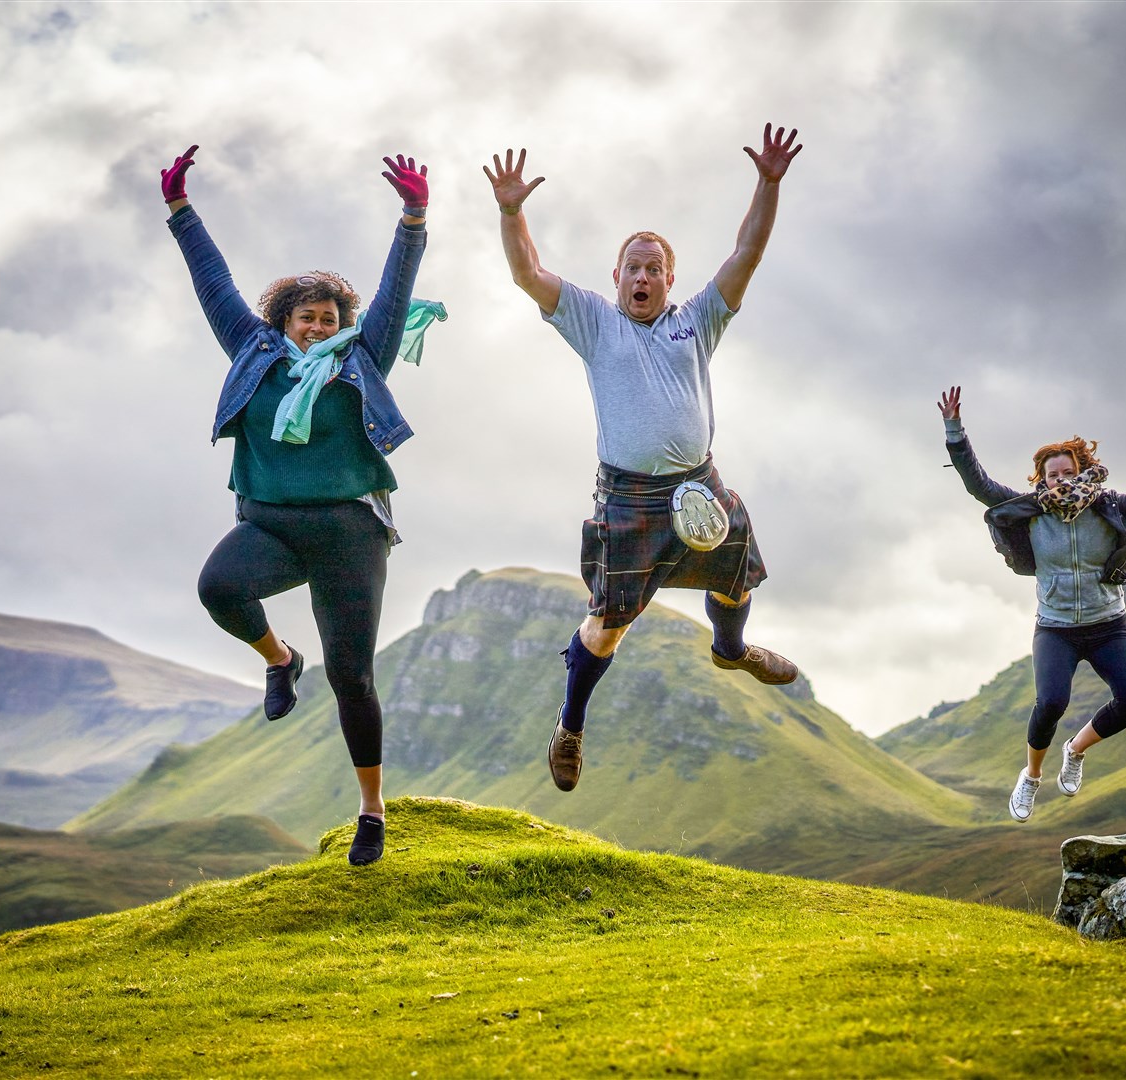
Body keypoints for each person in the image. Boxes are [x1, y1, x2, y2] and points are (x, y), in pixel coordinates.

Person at [484, 125, 804, 793]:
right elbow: (528, 273)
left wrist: (767, 185)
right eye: (633, 264)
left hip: (699, 486)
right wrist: (513, 212)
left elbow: (748, 249)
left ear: (669, 279)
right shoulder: (594, 319)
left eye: (654, 265)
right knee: (606, 627)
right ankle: (570, 725)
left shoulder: (698, 320)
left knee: (737, 581)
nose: (643, 274)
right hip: (628, 495)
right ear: (617, 276)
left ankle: (732, 650)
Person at [161, 144, 444, 865]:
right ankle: (278, 658)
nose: (317, 326)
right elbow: (212, 282)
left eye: (327, 316)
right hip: (271, 524)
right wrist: (181, 212)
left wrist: (413, 217)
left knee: (352, 676)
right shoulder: (251, 350)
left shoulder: (362, 356)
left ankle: (371, 810)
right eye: (305, 316)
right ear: (283, 320)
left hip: (351, 531)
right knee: (219, 588)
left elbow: (393, 287)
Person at [936, 385, 1126, 822]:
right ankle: (1031, 777)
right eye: (1053, 476)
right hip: (1056, 629)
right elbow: (978, 484)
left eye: (1068, 472)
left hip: (1109, 625)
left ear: (1082, 469)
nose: (1061, 481)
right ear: (1042, 480)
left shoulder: (1111, 506)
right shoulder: (1031, 511)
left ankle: (1076, 749)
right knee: (1050, 702)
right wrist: (955, 429)